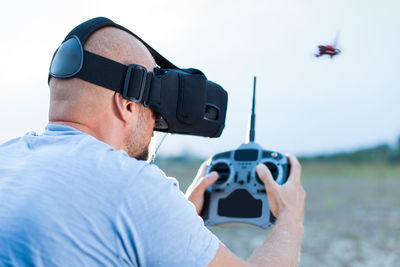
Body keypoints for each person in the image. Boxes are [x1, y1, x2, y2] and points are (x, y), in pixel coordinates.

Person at [0, 22, 306, 266]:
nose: (154, 127)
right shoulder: (134, 188)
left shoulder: (6, 159)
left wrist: (176, 223)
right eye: (154, 112)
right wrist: (290, 217)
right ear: (128, 105)